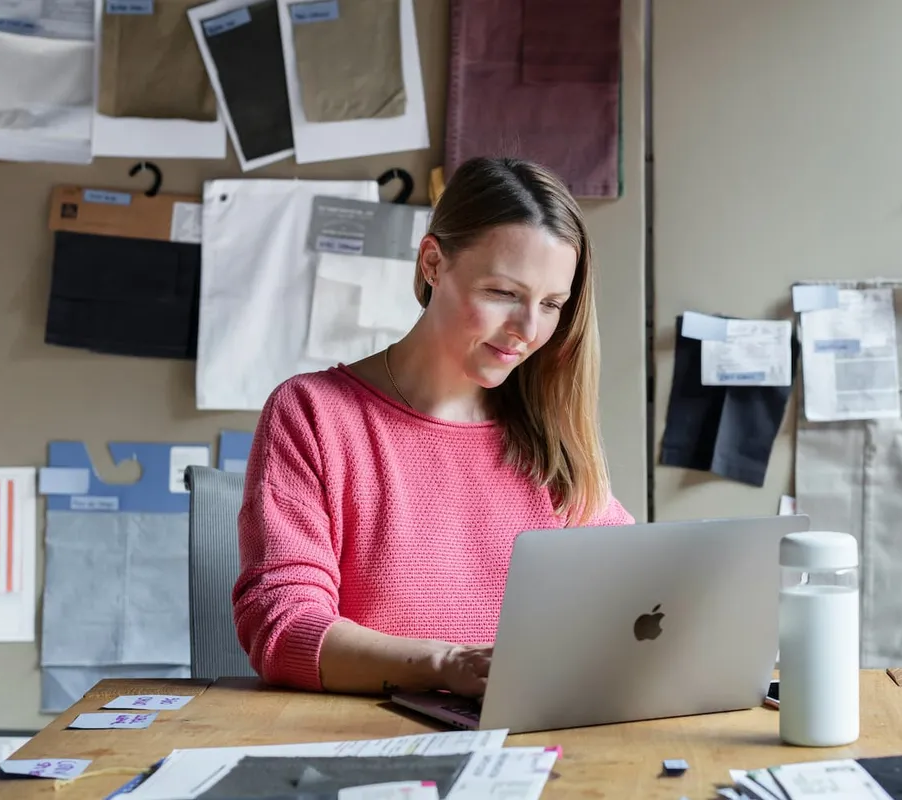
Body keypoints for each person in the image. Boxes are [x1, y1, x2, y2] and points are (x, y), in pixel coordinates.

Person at [232, 157, 635, 699]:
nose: (527, 330)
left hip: (526, 743)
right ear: (432, 263)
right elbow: (281, 630)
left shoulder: (548, 436)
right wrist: (447, 665)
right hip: (367, 743)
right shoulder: (313, 413)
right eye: (503, 294)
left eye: (551, 304)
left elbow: (638, 591)